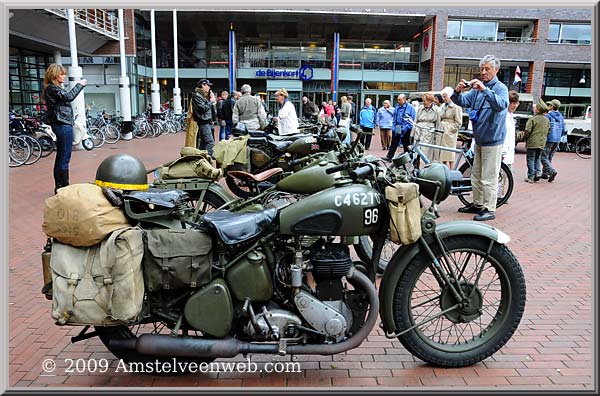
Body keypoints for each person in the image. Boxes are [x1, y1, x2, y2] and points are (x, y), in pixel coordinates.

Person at [452, 54, 509, 222]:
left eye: (487, 69)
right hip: (479, 140)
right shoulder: (477, 89)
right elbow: (461, 101)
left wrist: (485, 90)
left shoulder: (500, 88)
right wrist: (457, 91)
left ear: (496, 70)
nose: (483, 72)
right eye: (481, 69)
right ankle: (477, 204)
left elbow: (501, 105)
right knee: (476, 175)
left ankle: (489, 208)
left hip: (493, 140)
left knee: (488, 177)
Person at [42, 63, 87, 193]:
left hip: (61, 124)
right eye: (62, 74)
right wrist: (80, 84)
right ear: (55, 75)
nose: (64, 76)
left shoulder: (52, 89)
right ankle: (63, 186)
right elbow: (69, 97)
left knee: (62, 157)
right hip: (62, 124)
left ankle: (60, 186)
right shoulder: (53, 88)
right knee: (64, 157)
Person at [523, 99, 550, 183]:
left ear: (538, 109)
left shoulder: (532, 119)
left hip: (532, 142)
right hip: (542, 142)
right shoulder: (547, 120)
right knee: (537, 158)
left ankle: (531, 176)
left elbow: (527, 131)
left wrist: (524, 138)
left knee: (530, 159)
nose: (534, 108)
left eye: (535, 107)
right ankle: (538, 173)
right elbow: (548, 131)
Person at [384, 93, 416, 161]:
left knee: (406, 144)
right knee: (394, 143)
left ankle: (408, 159)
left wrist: (406, 128)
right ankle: (389, 157)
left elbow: (413, 119)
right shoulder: (397, 107)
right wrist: (393, 128)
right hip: (397, 127)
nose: (398, 101)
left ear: (404, 100)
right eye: (398, 100)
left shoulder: (410, 108)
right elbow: (394, 117)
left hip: (406, 128)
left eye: (399, 100)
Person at [411, 92, 441, 163]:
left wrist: (436, 137)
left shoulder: (437, 110)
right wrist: (412, 134)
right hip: (418, 131)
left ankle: (425, 168)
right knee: (415, 152)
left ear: (430, 101)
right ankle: (415, 168)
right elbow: (415, 121)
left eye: (424, 101)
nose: (423, 102)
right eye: (423, 101)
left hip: (428, 133)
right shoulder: (420, 108)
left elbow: (438, 123)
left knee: (426, 153)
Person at [439, 87, 463, 169]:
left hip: (449, 133)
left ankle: (452, 170)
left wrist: (450, 129)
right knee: (442, 153)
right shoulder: (442, 106)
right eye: (443, 96)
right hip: (442, 131)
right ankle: (444, 169)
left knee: (450, 153)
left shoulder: (456, 108)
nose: (443, 98)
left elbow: (458, 123)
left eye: (445, 96)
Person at [542, 99, 565, 182]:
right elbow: (563, 129)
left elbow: (545, 128)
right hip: (557, 139)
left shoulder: (548, 116)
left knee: (543, 157)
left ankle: (551, 171)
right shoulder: (561, 116)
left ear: (552, 107)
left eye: (549, 105)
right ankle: (545, 173)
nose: (548, 106)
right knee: (550, 156)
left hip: (549, 139)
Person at [192, 78, 216, 156]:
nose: (209, 87)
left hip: (207, 121)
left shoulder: (203, 95)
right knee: (210, 142)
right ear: (203, 85)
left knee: (204, 142)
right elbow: (202, 108)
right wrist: (211, 101)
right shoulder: (197, 95)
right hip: (203, 122)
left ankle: (200, 158)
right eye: (208, 85)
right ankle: (207, 158)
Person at [502, 90, 520, 171]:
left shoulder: (511, 116)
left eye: (516, 103)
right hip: (503, 154)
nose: (515, 105)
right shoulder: (503, 116)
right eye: (512, 103)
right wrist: (503, 151)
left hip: (508, 155)